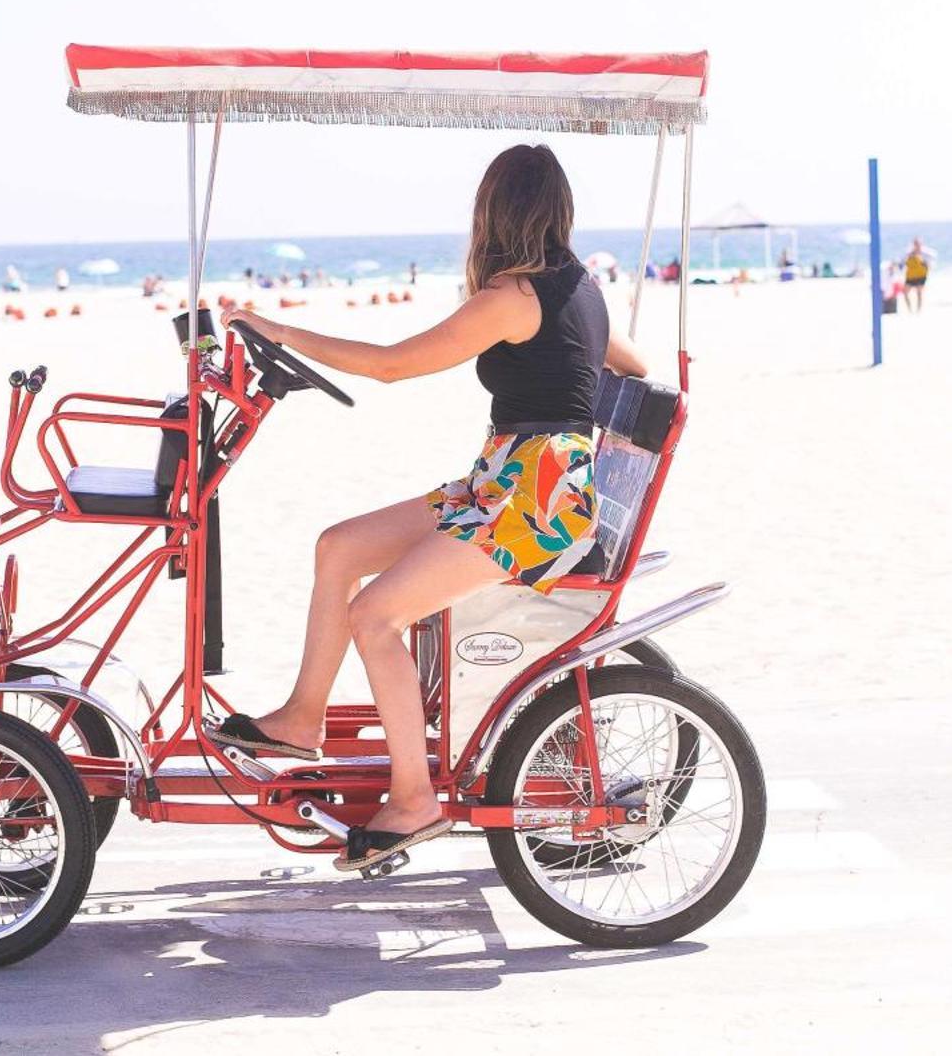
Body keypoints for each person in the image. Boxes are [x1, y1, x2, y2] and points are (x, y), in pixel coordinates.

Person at [211, 144, 647, 872]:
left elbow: (389, 364)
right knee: (338, 546)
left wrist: (282, 331)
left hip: (530, 502)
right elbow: (631, 364)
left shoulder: (513, 296)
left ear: (495, 211)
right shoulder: (581, 286)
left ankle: (413, 798)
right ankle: (301, 719)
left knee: (376, 613)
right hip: (515, 480)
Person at [902, 238, 931, 312]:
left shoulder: (925, 253)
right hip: (910, 275)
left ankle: (918, 311)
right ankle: (910, 310)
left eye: (918, 244)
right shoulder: (909, 253)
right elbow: (903, 263)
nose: (916, 246)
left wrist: (922, 259)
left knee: (919, 293)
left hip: (921, 275)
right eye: (915, 244)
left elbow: (930, 263)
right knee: (905, 292)